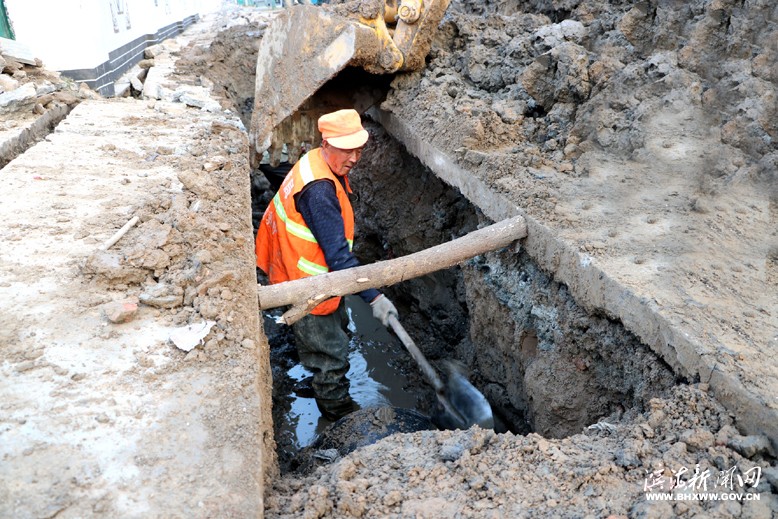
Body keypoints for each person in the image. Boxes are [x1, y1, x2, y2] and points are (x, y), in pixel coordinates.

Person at [255, 109, 399, 421]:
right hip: (306, 282)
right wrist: (374, 298)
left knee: (335, 335)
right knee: (330, 354)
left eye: (358, 149)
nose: (354, 158)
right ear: (326, 143)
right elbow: (339, 259)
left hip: (297, 265)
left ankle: (317, 373)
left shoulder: (314, 161)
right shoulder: (319, 190)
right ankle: (339, 415)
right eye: (346, 150)